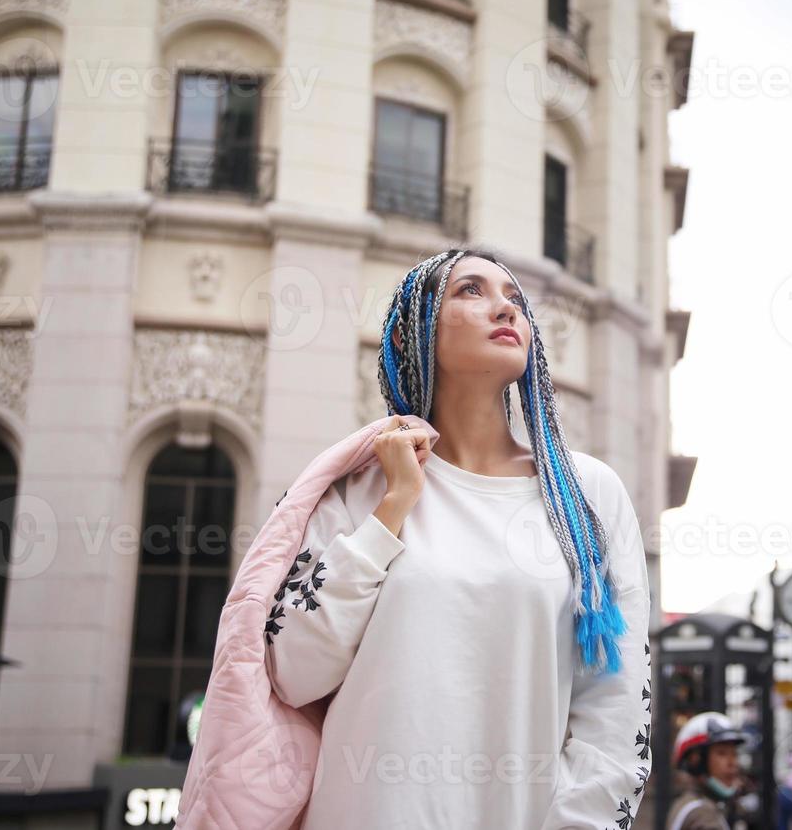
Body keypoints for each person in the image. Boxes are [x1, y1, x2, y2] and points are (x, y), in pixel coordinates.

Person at [262, 249, 653, 828]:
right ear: (415, 329)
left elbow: (617, 713)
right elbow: (293, 670)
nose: (505, 306)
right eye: (470, 289)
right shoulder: (357, 488)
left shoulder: (587, 496)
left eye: (515, 298)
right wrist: (393, 508)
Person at [669, 711, 748, 830]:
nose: (733, 763)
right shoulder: (702, 814)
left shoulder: (691, 803)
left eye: (734, 754)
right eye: (722, 753)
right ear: (696, 761)